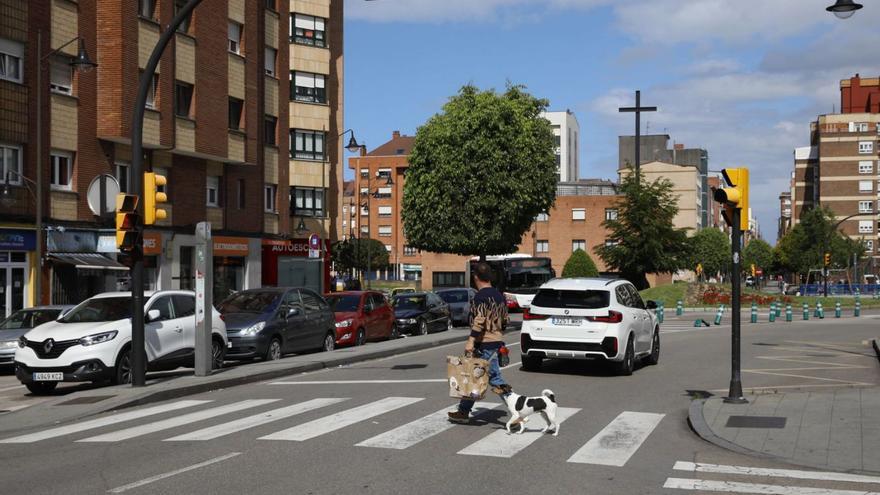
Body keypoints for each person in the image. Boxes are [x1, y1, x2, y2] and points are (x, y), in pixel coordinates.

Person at [448, 261, 509, 423]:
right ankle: (463, 411)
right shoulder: (499, 295)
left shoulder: (480, 297)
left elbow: (479, 320)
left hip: (485, 344)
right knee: (474, 377)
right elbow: (505, 321)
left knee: (495, 378)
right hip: (497, 341)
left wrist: (471, 340)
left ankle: (517, 410)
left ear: (476, 277)